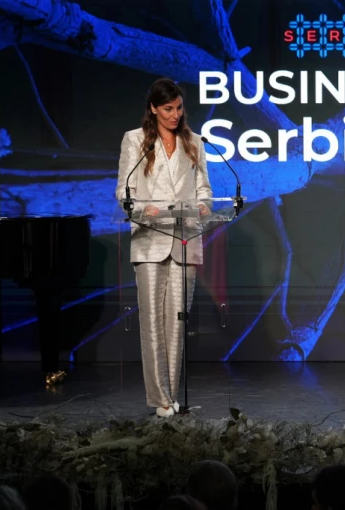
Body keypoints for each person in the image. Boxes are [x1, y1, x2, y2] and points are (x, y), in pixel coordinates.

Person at [116, 77, 213, 418]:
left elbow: (204, 189)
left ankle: (172, 395)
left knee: (177, 321)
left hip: (185, 238)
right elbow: (124, 192)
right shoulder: (135, 140)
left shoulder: (194, 142)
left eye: (179, 108)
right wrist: (145, 209)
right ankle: (159, 398)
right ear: (154, 108)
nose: (175, 115)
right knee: (152, 322)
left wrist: (203, 206)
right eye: (168, 109)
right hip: (150, 240)